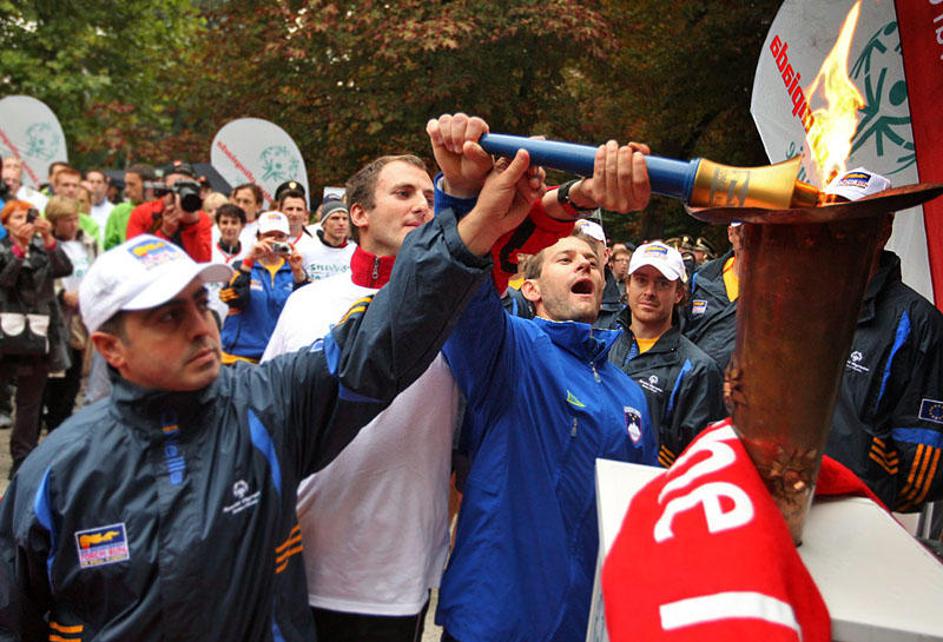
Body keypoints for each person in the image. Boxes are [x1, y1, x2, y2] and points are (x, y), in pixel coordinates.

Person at [0, 148, 540, 640]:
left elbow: (382, 340)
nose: (200, 327)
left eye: (199, 303)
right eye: (167, 317)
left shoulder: (264, 407)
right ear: (109, 347)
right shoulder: (56, 473)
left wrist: (472, 224)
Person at [426, 113, 657, 641]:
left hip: (582, 626)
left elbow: (636, 523)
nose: (585, 266)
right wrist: (463, 197)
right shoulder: (510, 348)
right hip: (494, 622)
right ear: (529, 288)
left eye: (593, 261)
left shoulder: (629, 395)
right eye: (565, 258)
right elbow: (457, 277)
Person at [263, 154, 453, 641]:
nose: (422, 206)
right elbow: (265, 422)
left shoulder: (455, 316)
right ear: (358, 214)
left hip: (394, 576)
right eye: (403, 193)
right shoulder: (304, 303)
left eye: (429, 197)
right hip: (298, 561)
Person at [821, 169, 943, 512]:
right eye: (834, 218)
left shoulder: (919, 322)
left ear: (883, 228)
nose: (840, 230)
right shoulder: (801, 302)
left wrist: (867, 490)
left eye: (855, 218)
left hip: (859, 512)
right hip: (781, 499)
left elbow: (924, 460)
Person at [609, 241, 725, 467]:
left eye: (662, 283)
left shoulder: (698, 369)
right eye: (641, 280)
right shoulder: (602, 344)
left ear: (679, 293)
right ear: (628, 285)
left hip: (652, 484)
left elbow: (697, 462)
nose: (649, 292)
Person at [0, 200, 72, 478]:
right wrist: (19, 250)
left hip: (38, 333)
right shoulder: (3, 248)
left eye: (27, 217)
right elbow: (6, 279)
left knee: (30, 402)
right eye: (17, 218)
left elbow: (64, 269)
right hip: (5, 332)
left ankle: (23, 458)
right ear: (6, 224)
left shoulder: (43, 248)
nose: (24, 223)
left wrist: (49, 238)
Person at [219, 211, 308, 365]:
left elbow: (305, 310)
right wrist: (249, 262)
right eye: (269, 236)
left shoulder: (295, 270)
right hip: (240, 356)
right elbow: (231, 299)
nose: (275, 241)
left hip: (278, 359)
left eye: (280, 236)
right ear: (259, 237)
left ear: (287, 239)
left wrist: (298, 272)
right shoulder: (242, 266)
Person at [41, 196, 98, 431]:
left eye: (75, 218)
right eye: (67, 220)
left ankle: (64, 421)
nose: (73, 224)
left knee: (75, 374)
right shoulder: (45, 245)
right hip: (56, 317)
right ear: (55, 222)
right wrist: (62, 294)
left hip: (82, 316)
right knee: (56, 375)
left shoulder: (88, 243)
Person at [682, 221, 742, 370]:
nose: (750, 239)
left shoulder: (778, 288)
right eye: (743, 231)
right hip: (696, 379)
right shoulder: (702, 277)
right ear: (731, 233)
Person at [126, 162, 213, 262]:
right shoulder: (142, 213)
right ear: (163, 188)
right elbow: (134, 258)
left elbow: (203, 262)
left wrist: (191, 226)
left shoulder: (200, 218)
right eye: (175, 187)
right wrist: (164, 232)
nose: (179, 195)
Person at [103, 163, 156, 250]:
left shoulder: (163, 210)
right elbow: (109, 245)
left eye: (132, 185)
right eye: (126, 184)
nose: (127, 190)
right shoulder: (119, 211)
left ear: (148, 185)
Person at [304, 198, 355, 280]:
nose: (341, 223)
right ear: (323, 224)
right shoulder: (307, 250)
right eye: (335, 218)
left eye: (345, 219)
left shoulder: (356, 252)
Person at [231, 182, 265, 248]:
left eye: (246, 202)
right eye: (237, 201)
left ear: (258, 206)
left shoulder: (264, 229)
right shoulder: (221, 227)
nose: (240, 206)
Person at [85, 169, 113, 241]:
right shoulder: (79, 208)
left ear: (106, 186)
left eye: (99, 182)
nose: (95, 185)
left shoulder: (113, 210)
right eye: (91, 182)